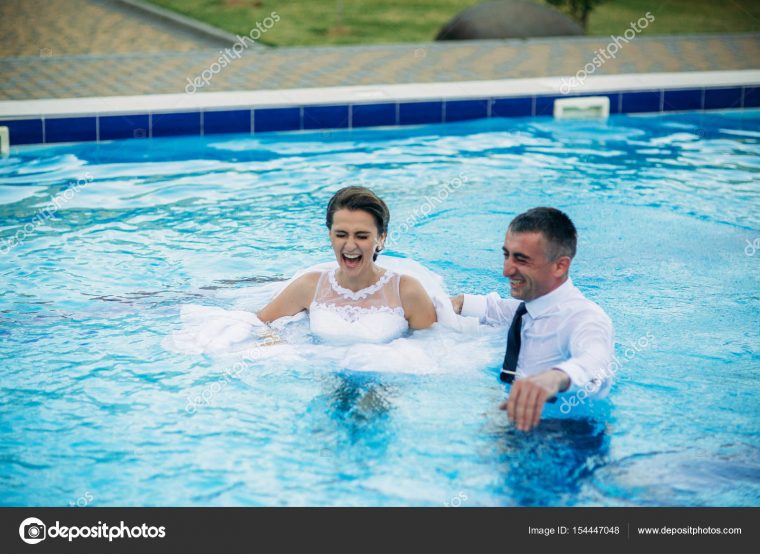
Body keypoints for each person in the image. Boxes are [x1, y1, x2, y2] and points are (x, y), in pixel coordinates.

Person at [450, 207, 614, 432]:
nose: (506, 271)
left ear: (560, 265)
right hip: (522, 429)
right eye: (506, 255)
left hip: (572, 440)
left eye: (522, 260)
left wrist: (556, 378)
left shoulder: (585, 318)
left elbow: (596, 366)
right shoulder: (525, 309)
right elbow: (486, 308)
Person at [257, 186, 437, 343]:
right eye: (341, 235)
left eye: (361, 236)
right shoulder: (310, 285)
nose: (350, 245)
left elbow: (434, 345)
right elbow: (259, 324)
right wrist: (275, 342)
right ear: (330, 235)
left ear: (381, 238)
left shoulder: (407, 291)